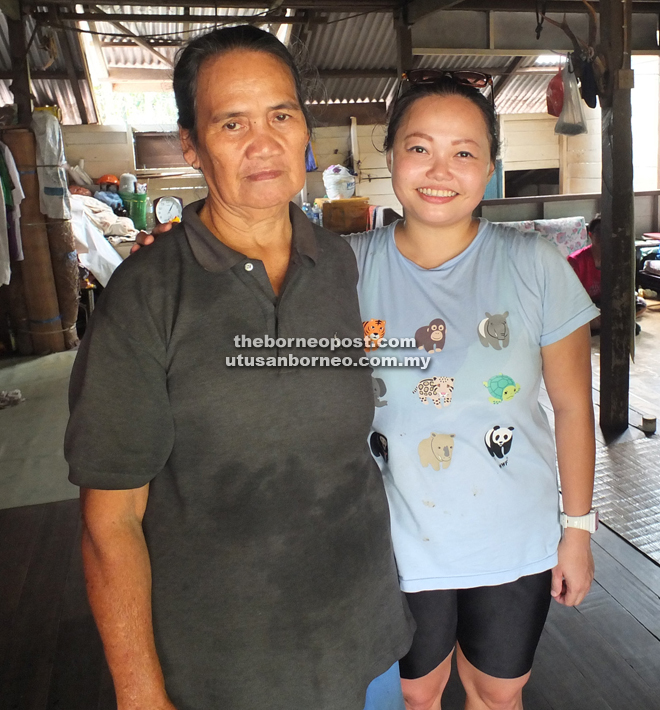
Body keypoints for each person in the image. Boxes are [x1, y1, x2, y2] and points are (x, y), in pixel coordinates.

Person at [135, 67, 600, 709]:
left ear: (492, 163)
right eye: (419, 148)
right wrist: (175, 254)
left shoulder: (534, 264)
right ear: (390, 158)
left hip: (514, 536)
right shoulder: (341, 264)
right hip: (390, 540)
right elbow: (247, 278)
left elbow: (575, 406)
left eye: (464, 152)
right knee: (416, 693)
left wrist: (578, 531)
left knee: (499, 691)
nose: (440, 170)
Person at [64, 26, 414, 710]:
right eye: (232, 122)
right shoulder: (148, 294)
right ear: (191, 144)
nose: (264, 141)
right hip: (224, 670)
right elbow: (111, 523)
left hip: (363, 643)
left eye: (281, 114)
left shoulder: (338, 263)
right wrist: (140, 696)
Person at [568, 215, 646, 332]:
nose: (603, 236)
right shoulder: (575, 261)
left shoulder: (616, 259)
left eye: (607, 232)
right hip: (583, 306)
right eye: (598, 232)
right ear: (590, 235)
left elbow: (621, 290)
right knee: (580, 318)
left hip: (605, 304)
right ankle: (610, 324)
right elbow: (570, 298)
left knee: (640, 305)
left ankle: (605, 324)